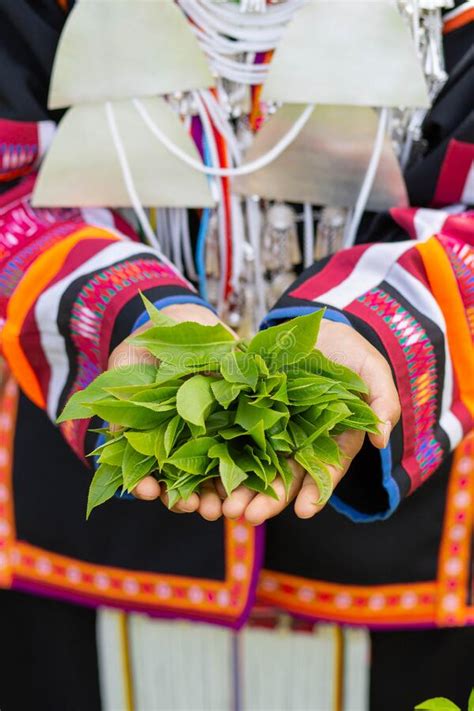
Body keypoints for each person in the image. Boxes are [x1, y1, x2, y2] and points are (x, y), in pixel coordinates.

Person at [0, 1, 472, 709]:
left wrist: (375, 331)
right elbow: (13, 175)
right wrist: (130, 314)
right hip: (89, 532)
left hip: (395, 550)